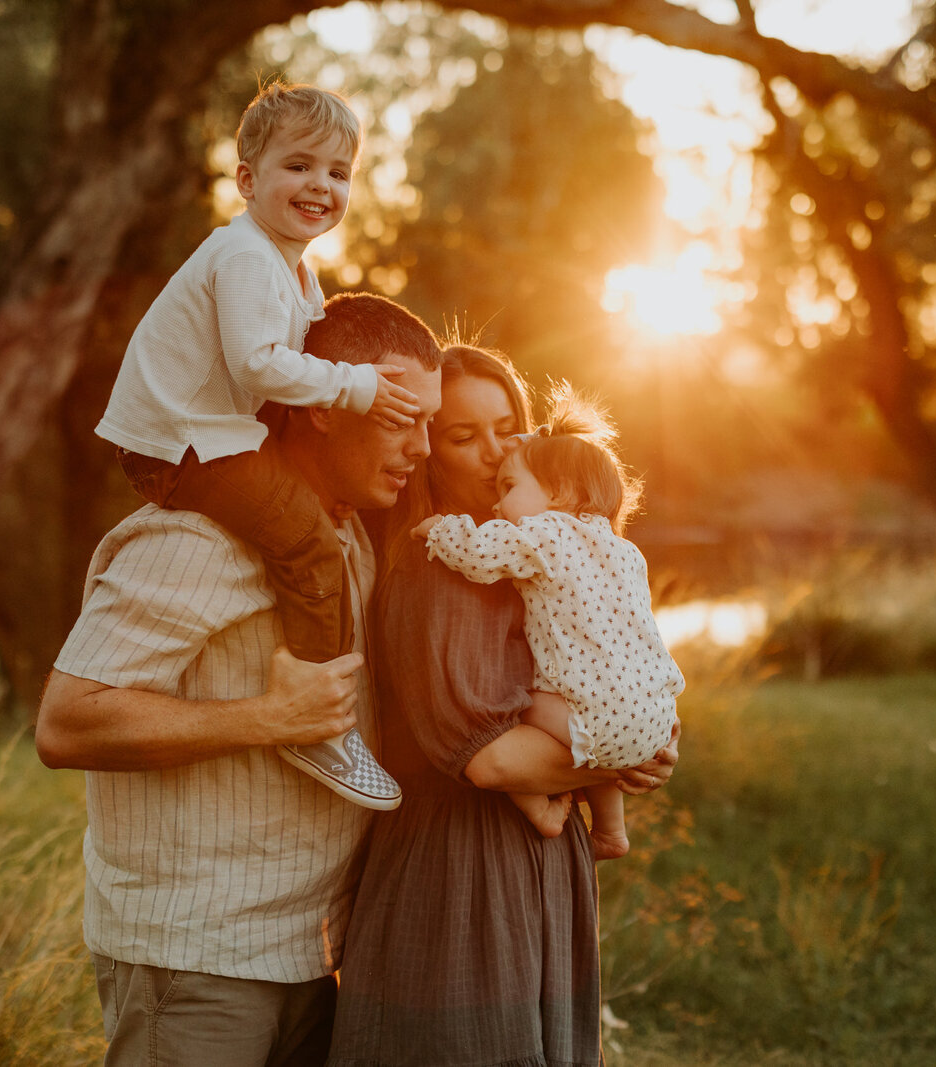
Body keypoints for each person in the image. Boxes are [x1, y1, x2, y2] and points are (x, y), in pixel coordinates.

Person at [36, 293, 443, 1067]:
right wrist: (267, 719)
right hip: (197, 959)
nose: (421, 445)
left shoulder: (347, 529)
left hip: (313, 951)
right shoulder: (194, 539)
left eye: (429, 421)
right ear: (321, 402)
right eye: (399, 415)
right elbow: (66, 722)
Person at [327, 346, 680, 1067]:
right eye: (463, 436)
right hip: (462, 865)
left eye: (508, 426)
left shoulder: (543, 557)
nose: (496, 453)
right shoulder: (439, 565)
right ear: (427, 450)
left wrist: (643, 736)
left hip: (544, 858)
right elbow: (488, 761)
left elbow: (614, 660)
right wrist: (612, 753)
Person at [95, 80, 417, 809]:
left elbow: (293, 358)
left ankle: (331, 687)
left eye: (339, 173)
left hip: (217, 431)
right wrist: (358, 385)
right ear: (247, 179)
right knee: (305, 538)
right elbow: (257, 364)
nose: (320, 185)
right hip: (177, 442)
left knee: (318, 513)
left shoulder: (294, 266)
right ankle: (313, 718)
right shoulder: (243, 256)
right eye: (299, 166)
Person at [412, 383, 685, 860]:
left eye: (509, 488)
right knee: (590, 728)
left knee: (514, 709)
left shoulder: (545, 534)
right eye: (465, 437)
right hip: (655, 716)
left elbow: (478, 553)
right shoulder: (624, 551)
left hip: (596, 719)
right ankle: (612, 829)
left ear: (557, 494)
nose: (498, 504)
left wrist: (441, 530)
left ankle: (538, 806)